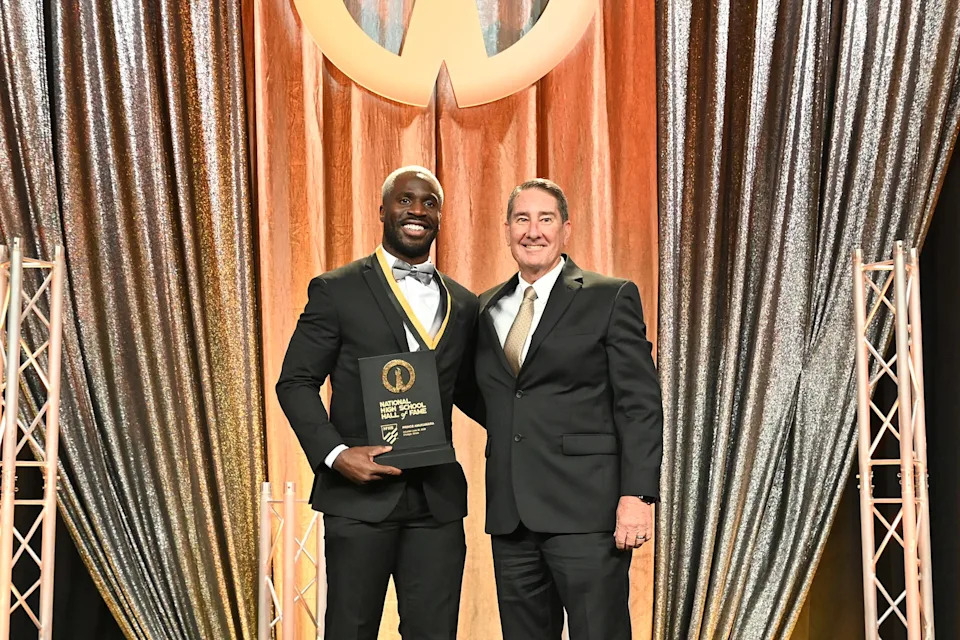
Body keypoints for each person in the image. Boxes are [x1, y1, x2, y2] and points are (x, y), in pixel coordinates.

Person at [276, 166, 480, 639]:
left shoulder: (464, 303)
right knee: (352, 630)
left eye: (429, 203)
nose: (417, 211)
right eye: (406, 200)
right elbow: (296, 381)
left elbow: (469, 391)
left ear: (440, 217)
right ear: (383, 209)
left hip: (437, 503)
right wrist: (335, 455)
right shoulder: (337, 288)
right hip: (358, 499)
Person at [475, 178, 663, 640]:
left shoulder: (609, 295)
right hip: (511, 516)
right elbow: (491, 393)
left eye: (545, 219)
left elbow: (639, 403)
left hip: (589, 514)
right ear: (506, 229)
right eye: (522, 219)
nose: (533, 231)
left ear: (566, 229)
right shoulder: (485, 308)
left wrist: (637, 497)